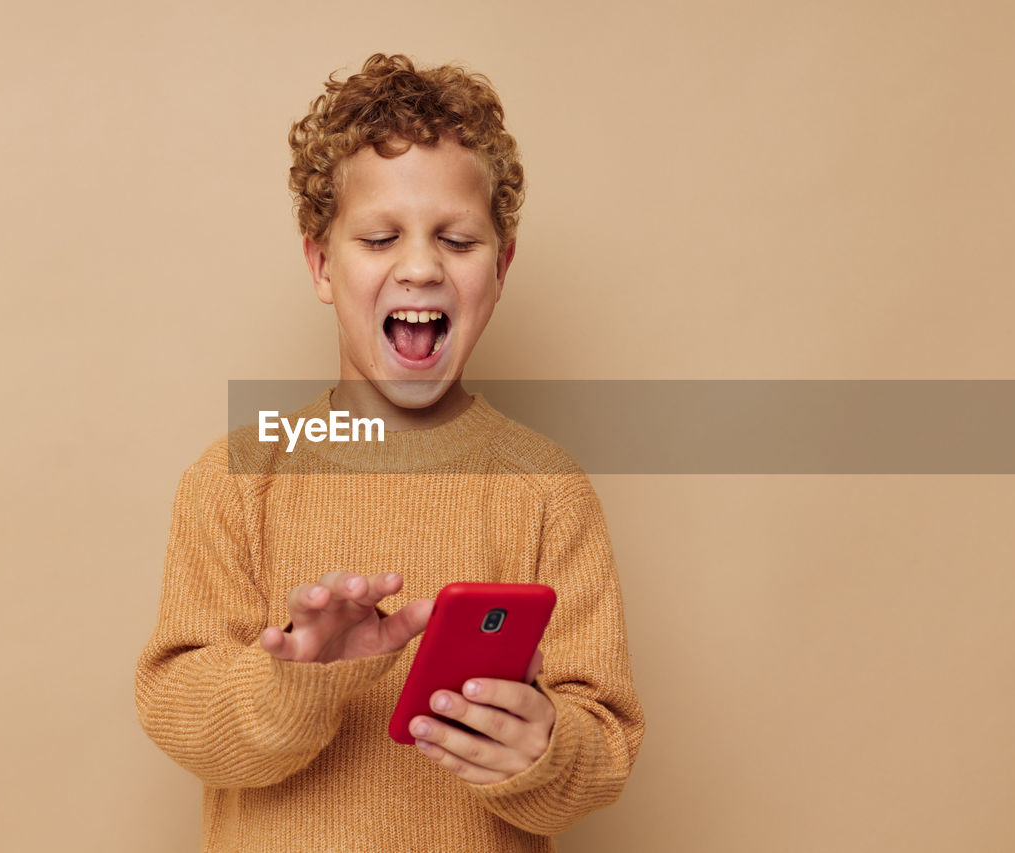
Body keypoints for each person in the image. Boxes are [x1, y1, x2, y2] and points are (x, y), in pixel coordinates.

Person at [135, 53, 645, 852]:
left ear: (502, 266)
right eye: (380, 237)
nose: (420, 266)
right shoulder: (240, 476)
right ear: (321, 265)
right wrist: (293, 682)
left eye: (458, 239)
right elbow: (175, 703)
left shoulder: (547, 487)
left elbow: (603, 743)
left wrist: (546, 746)